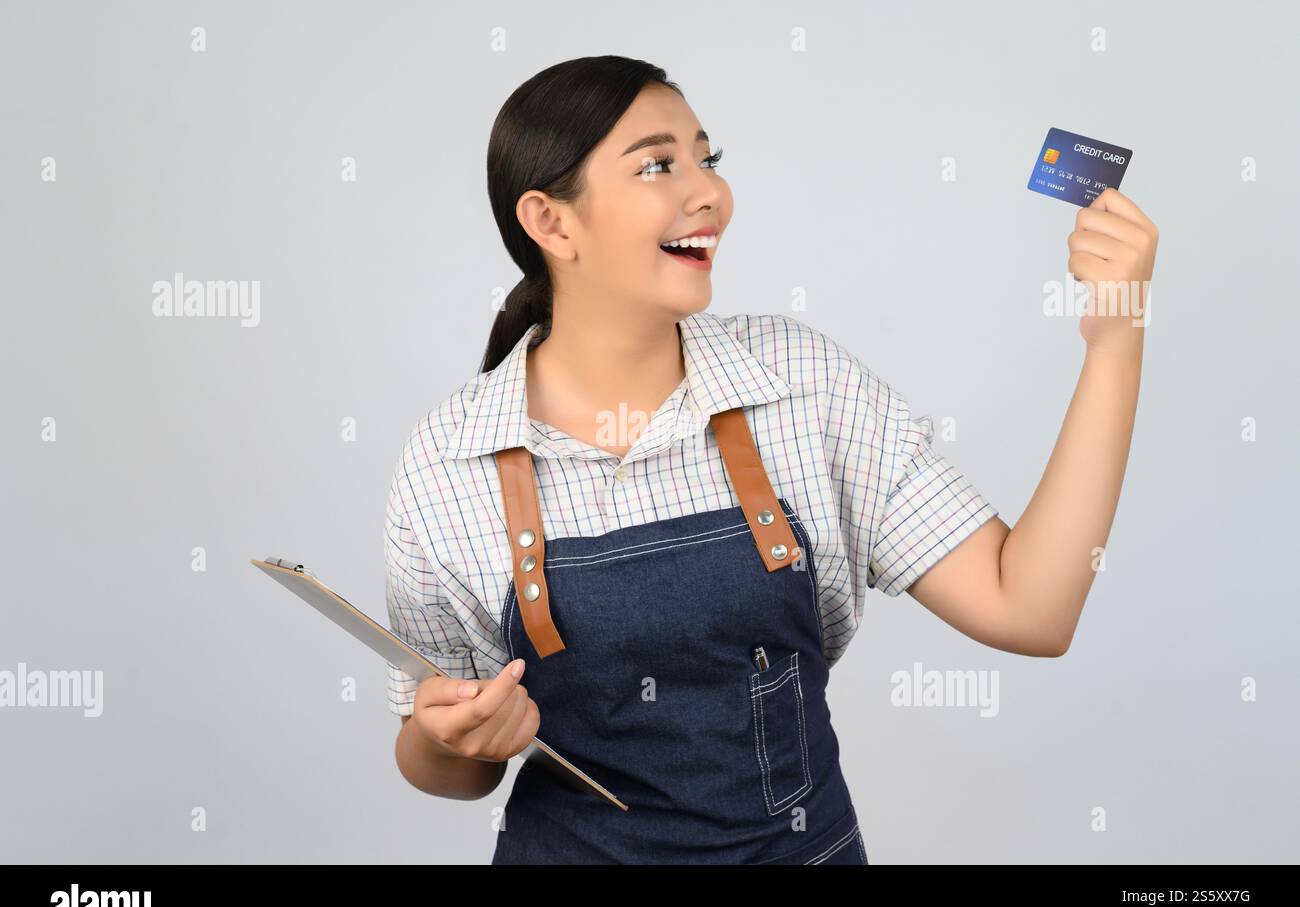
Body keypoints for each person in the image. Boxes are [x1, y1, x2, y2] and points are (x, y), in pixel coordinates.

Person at [386, 55, 1158, 864]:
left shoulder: (803, 386)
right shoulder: (448, 462)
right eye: (657, 164)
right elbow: (433, 753)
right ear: (551, 223)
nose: (710, 193)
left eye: (706, 159)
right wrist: (458, 742)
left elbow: (1029, 607)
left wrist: (1116, 340)